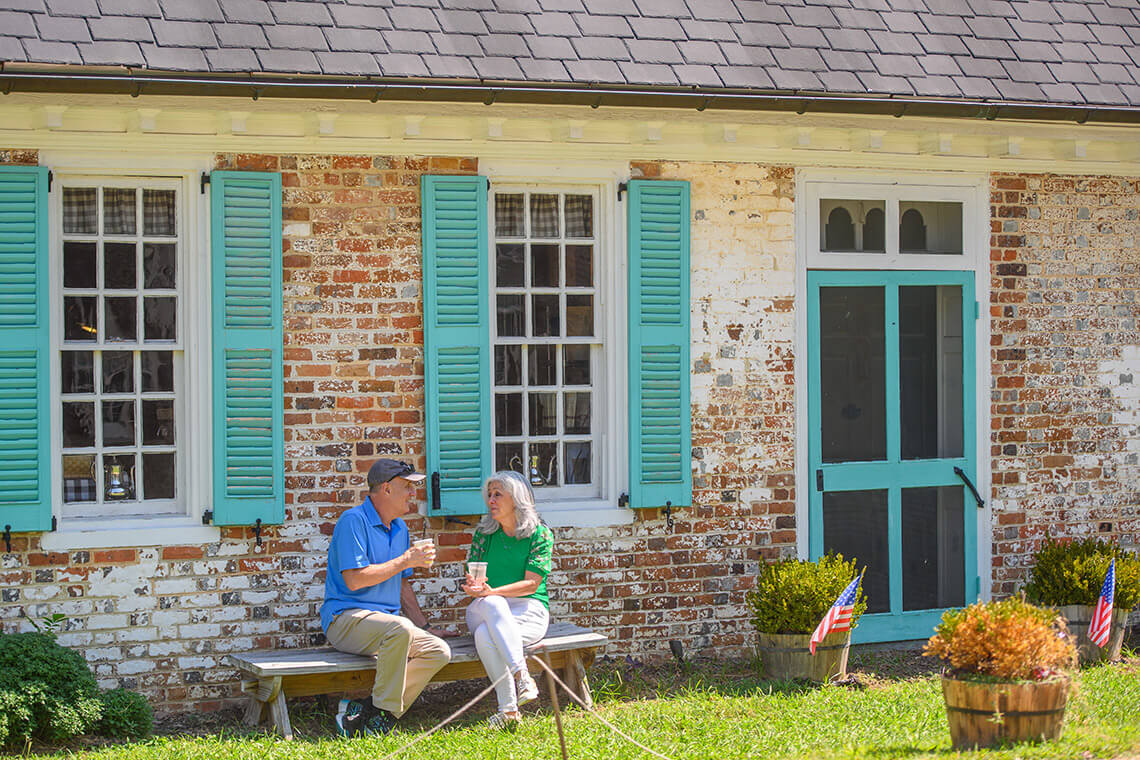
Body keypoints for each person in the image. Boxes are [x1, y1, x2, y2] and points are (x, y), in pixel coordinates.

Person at [320, 458, 456, 737]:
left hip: (388, 627)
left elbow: (403, 586)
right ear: (386, 489)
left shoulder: (400, 528)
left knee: (438, 651)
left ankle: (370, 711)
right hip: (345, 620)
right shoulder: (352, 521)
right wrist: (405, 560)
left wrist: (427, 627)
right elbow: (355, 579)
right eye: (407, 486)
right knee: (400, 629)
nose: (412, 493)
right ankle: (378, 720)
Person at [462, 470, 555, 730]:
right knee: (492, 606)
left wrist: (492, 592)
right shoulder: (484, 534)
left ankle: (508, 712)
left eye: (497, 495)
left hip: (529, 610)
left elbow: (531, 584)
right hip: (484, 606)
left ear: (516, 498)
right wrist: (474, 586)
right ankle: (522, 676)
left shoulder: (540, 534)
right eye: (489, 495)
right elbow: (475, 578)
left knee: (485, 635)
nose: (491, 500)